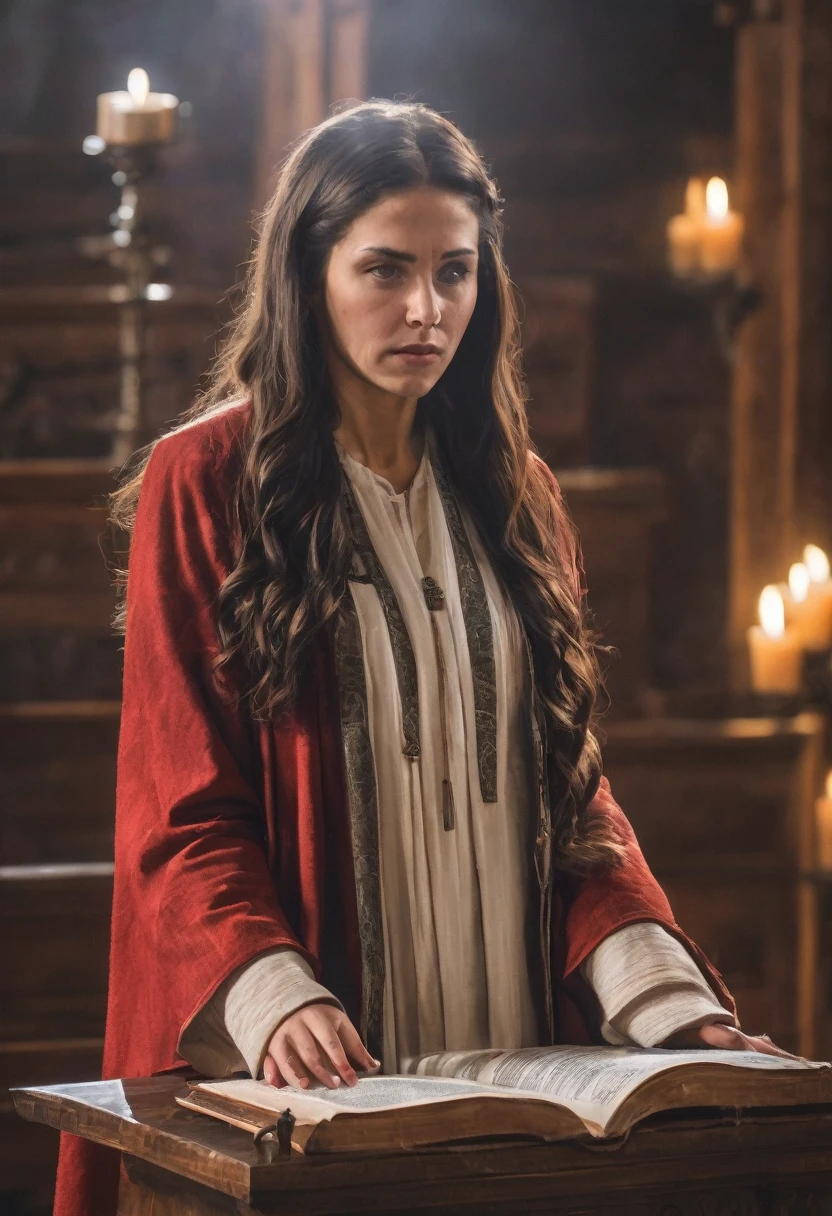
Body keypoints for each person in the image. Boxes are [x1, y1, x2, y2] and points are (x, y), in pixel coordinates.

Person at [53, 100, 789, 1216]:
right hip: (313, 1058)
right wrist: (273, 997)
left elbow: (570, 789)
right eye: (385, 270)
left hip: (510, 1049)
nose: (426, 309)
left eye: (455, 271)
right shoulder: (206, 483)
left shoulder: (515, 491)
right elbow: (176, 798)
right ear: (309, 273)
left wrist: (669, 1006)